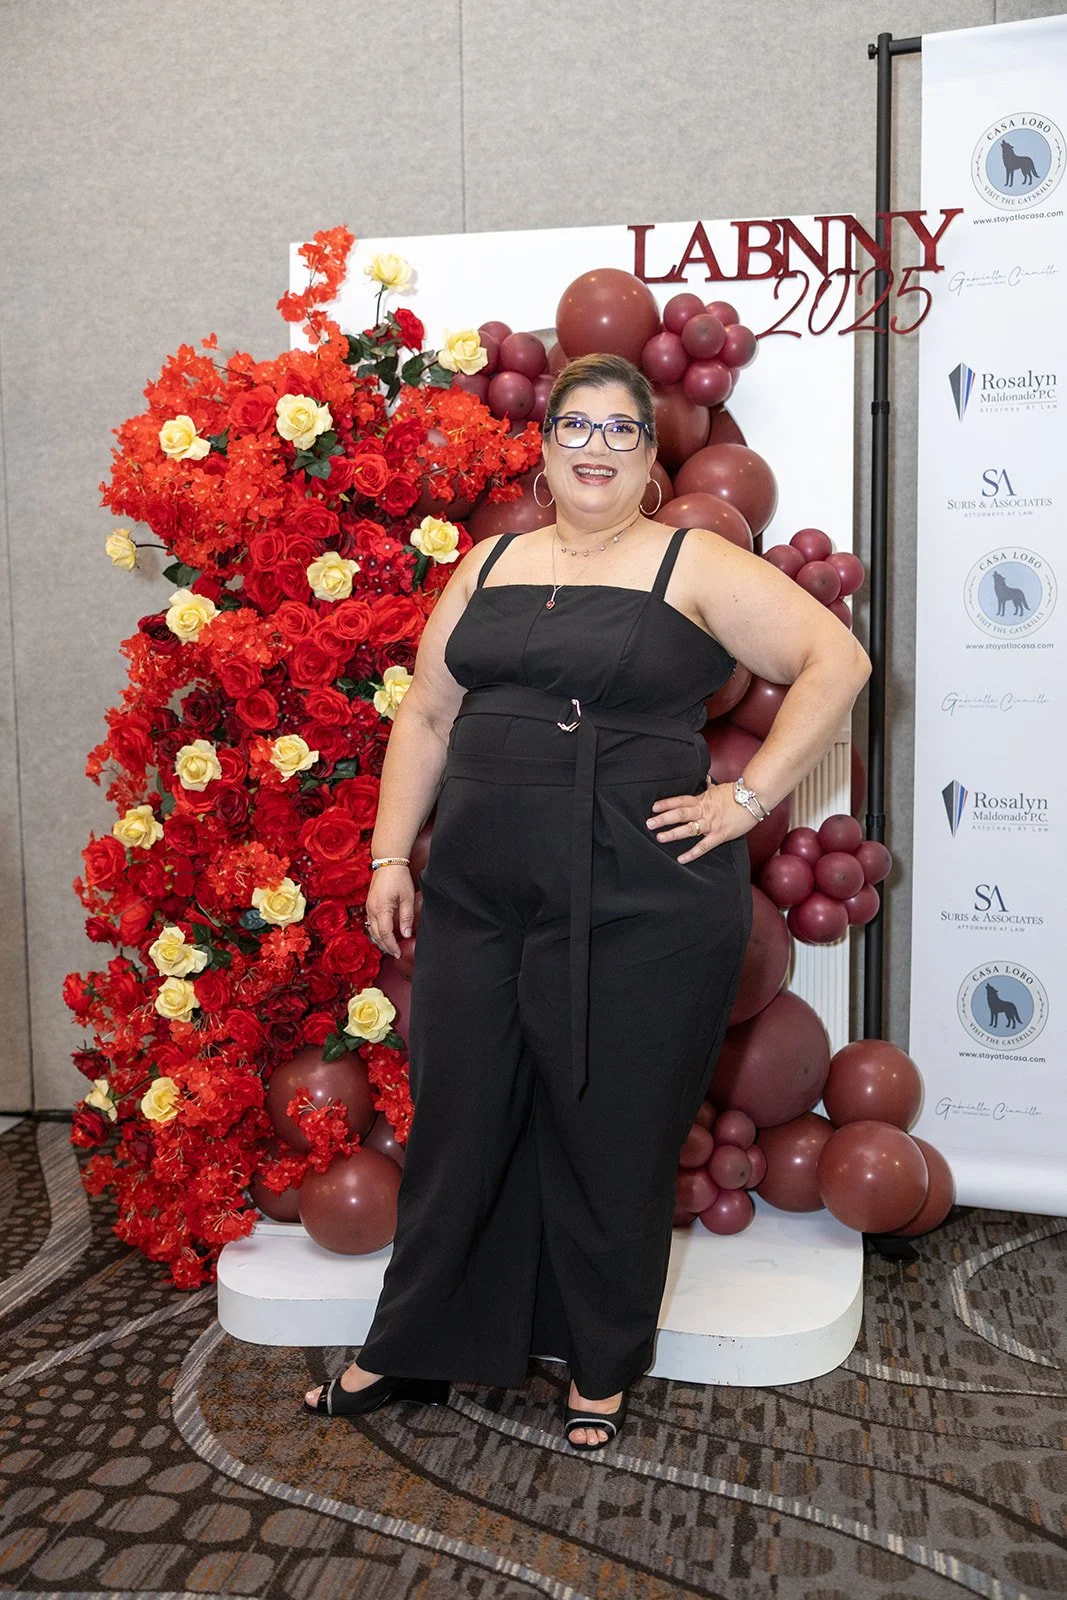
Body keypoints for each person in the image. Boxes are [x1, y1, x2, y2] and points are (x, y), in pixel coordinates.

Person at [304, 351, 871, 1449]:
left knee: (614, 1127)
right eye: (577, 426)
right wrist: (386, 857)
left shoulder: (690, 561)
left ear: (649, 458)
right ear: (546, 444)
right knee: (460, 1117)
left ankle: (598, 1363)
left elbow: (834, 661)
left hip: (643, 896)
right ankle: (410, 1344)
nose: (596, 447)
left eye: (621, 429)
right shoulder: (488, 562)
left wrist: (746, 799)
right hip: (480, 887)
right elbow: (426, 715)